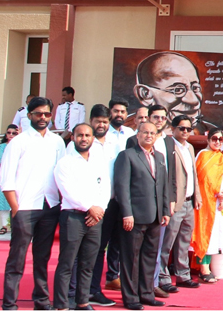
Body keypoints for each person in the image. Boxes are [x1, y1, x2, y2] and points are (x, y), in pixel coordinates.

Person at [0, 96, 65, 310]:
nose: (43, 117)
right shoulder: (18, 141)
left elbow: (62, 173)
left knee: (42, 257)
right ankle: (9, 303)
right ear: (29, 116)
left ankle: (41, 300)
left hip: (50, 206)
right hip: (25, 207)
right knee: (17, 258)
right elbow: (5, 179)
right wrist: (15, 209)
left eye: (47, 114)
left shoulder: (57, 141)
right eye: (39, 113)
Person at [113, 122, 170, 310]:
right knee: (131, 259)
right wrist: (127, 213)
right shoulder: (127, 156)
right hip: (134, 217)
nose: (149, 136)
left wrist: (165, 212)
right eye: (145, 132)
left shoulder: (160, 157)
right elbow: (122, 187)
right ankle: (131, 298)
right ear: (137, 135)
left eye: (152, 133)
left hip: (155, 217)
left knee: (149, 258)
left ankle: (146, 294)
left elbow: (163, 187)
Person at [53, 123, 110, 311]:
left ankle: (82, 302)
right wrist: (90, 208)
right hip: (73, 217)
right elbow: (68, 192)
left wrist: (100, 209)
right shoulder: (65, 163)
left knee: (88, 263)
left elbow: (105, 188)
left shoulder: (98, 161)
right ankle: (61, 304)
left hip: (96, 219)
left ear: (93, 138)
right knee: (67, 263)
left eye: (87, 135)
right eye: (80, 135)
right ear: (73, 138)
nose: (84, 138)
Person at [92, 100, 131, 302]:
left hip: (120, 200)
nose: (118, 114)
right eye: (115, 111)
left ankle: (111, 278)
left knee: (117, 243)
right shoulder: (91, 142)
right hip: (99, 203)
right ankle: (91, 289)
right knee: (98, 247)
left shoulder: (129, 135)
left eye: (122, 111)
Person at [158, 116, 200, 293]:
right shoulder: (167, 146)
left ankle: (183, 275)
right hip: (175, 202)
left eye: (188, 129)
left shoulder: (189, 147)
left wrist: (197, 195)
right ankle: (162, 276)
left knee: (184, 240)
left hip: (190, 201)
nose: (185, 132)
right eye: (182, 128)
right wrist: (169, 201)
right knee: (167, 241)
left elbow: (193, 174)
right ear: (173, 128)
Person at [132, 51, 216, 132]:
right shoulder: (128, 132)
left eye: (195, 88)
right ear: (145, 94)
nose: (193, 100)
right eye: (178, 90)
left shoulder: (210, 132)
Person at [191, 127, 223, 282]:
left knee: (215, 234)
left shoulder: (221, 158)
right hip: (204, 201)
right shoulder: (202, 155)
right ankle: (204, 268)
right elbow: (198, 178)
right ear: (208, 140)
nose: (217, 142)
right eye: (214, 139)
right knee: (204, 232)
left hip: (219, 202)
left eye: (220, 139)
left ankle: (210, 267)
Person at [0, 124, 19, 234]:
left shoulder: (20, 145)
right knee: (3, 202)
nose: (10, 135)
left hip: (17, 177)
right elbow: (1, 160)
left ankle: (16, 225)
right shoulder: (2, 147)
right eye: (8, 132)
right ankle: (4, 226)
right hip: (5, 176)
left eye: (14, 133)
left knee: (15, 201)